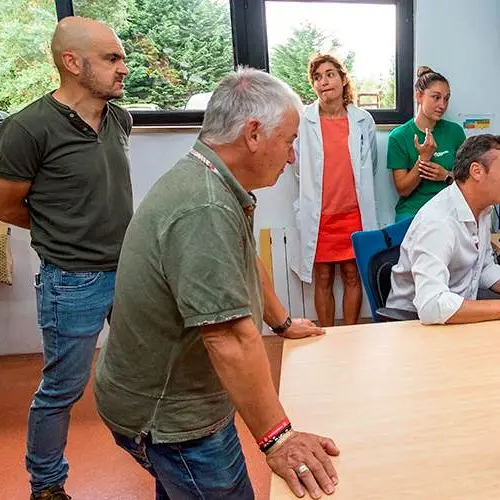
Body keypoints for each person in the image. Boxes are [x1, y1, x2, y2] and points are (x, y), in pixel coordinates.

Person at [94, 67, 340, 500]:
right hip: (172, 414)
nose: (291, 156)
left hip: (165, 395)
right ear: (253, 134)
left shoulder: (213, 179)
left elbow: (244, 258)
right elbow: (228, 337)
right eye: (288, 141)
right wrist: (278, 438)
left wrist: (282, 324)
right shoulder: (204, 207)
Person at [0, 17, 132, 500]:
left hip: (128, 271)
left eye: (122, 57)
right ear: (73, 63)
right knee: (62, 390)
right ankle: (46, 485)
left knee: (142, 370)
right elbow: (5, 207)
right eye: (112, 58)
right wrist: (62, 233)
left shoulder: (119, 118)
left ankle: (160, 458)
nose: (123, 67)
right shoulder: (26, 129)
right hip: (71, 281)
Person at [385, 134, 500, 326]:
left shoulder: (482, 210)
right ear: (477, 171)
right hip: (414, 324)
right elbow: (431, 306)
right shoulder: (438, 223)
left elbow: (483, 266)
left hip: (455, 314)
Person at [291, 53, 378, 327]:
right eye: (317, 77)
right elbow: (298, 166)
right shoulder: (304, 120)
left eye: (329, 74)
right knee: (323, 276)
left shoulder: (362, 120)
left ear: (342, 79)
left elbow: (370, 163)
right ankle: (326, 336)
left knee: (353, 274)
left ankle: (350, 334)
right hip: (321, 215)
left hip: (353, 213)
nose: (324, 81)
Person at [387, 66, 466, 221]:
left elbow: (468, 181)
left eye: (446, 98)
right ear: (419, 96)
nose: (442, 105)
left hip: (449, 209)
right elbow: (403, 190)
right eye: (436, 97)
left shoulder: (455, 132)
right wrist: (423, 159)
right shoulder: (399, 136)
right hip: (413, 212)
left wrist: (446, 176)